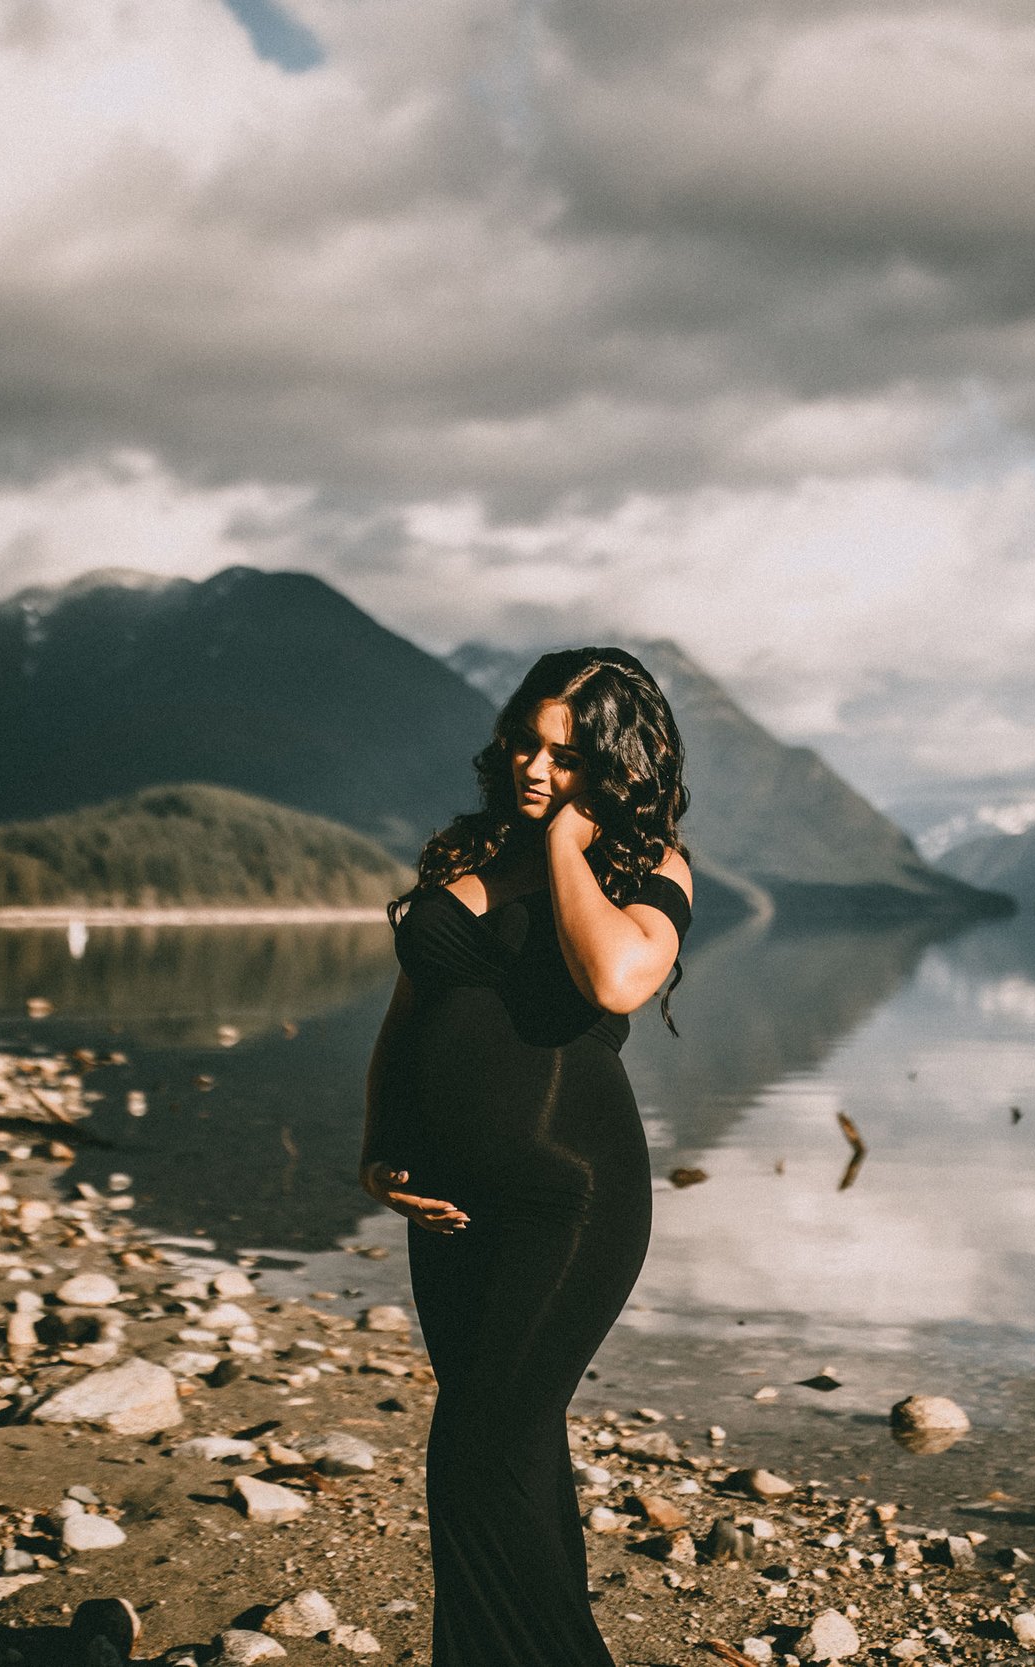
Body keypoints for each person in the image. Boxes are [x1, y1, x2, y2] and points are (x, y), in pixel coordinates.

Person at [360, 646, 694, 1666]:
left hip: (571, 1200)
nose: (534, 767)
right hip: (451, 1204)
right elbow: (406, 1016)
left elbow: (616, 977)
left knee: (472, 1457)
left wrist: (565, 846)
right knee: (511, 1449)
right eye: (524, 739)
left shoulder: (650, 872)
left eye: (567, 754)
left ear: (615, 769)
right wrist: (380, 1142)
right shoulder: (461, 858)